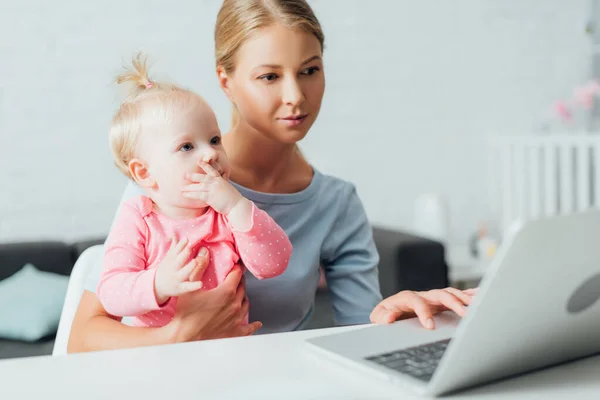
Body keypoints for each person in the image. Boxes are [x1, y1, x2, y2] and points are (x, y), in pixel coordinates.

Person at [68, 0, 475, 353]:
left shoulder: (336, 203)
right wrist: (178, 336)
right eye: (269, 76)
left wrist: (398, 313)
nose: (296, 95)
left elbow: (359, 331)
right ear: (226, 81)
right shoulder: (171, 182)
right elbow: (82, 339)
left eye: (310, 70)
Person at [96, 54, 292, 328]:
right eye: (187, 146)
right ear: (145, 173)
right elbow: (111, 293)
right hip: (160, 357)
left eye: (214, 139)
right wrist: (158, 284)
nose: (211, 153)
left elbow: (274, 263)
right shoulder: (139, 218)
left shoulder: (225, 212)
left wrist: (236, 207)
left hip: (229, 352)